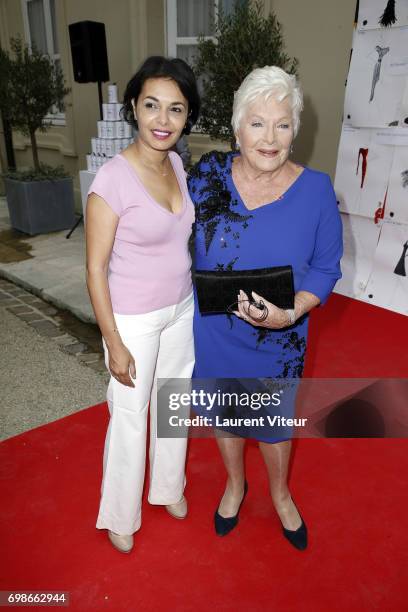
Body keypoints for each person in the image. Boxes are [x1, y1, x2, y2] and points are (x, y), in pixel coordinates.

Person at [188, 66, 343, 550]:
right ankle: (235, 485)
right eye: (257, 123)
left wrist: (291, 312)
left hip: (279, 339)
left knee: (274, 425)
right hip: (215, 331)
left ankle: (279, 492)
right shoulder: (206, 177)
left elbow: (326, 268)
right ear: (237, 128)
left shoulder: (316, 190)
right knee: (227, 415)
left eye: (282, 124)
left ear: (295, 130)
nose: (269, 137)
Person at [86, 56, 200, 554]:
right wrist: (112, 340)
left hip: (181, 309)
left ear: (186, 117)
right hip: (132, 317)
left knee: (173, 403)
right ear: (133, 106)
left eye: (175, 109)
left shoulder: (176, 164)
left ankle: (168, 487)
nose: (162, 120)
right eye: (152, 105)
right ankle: (119, 512)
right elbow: (94, 269)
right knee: (131, 413)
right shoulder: (111, 180)